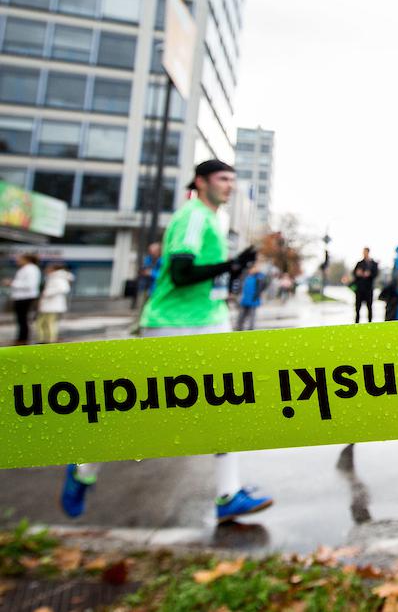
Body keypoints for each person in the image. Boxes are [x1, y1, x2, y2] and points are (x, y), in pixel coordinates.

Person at [61, 160, 273, 524]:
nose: (229, 186)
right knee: (141, 410)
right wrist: (230, 264)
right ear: (201, 181)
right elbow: (181, 273)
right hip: (171, 325)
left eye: (232, 180)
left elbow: (204, 277)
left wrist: (235, 266)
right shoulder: (192, 216)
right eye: (222, 179)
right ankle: (82, 467)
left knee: (230, 402)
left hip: (208, 322)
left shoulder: (212, 220)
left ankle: (228, 494)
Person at [7, 253, 41, 345]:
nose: (17, 261)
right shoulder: (27, 269)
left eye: (19, 259)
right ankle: (21, 338)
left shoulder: (31, 269)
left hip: (25, 297)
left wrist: (12, 283)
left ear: (26, 259)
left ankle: (23, 339)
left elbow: (30, 285)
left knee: (23, 319)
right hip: (22, 297)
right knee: (21, 319)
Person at [36, 263, 73, 343]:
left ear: (53, 269)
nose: (46, 269)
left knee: (49, 323)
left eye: (48, 267)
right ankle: (44, 340)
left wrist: (46, 293)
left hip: (52, 306)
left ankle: (49, 341)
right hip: (49, 305)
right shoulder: (53, 277)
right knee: (42, 323)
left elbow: (64, 288)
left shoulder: (57, 278)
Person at [352, 248, 379, 323]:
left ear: (368, 252)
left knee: (369, 307)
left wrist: (369, 274)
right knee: (357, 307)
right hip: (359, 289)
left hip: (368, 288)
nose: (364, 254)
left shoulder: (373, 264)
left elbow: (376, 273)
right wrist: (358, 273)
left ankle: (370, 323)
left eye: (365, 252)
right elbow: (354, 273)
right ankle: (356, 323)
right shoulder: (359, 263)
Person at [236, 262, 265, 331]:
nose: (253, 270)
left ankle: (251, 330)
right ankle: (239, 328)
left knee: (252, 317)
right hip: (245, 299)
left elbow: (264, 283)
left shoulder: (259, 277)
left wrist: (257, 295)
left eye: (255, 268)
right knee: (241, 316)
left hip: (253, 299)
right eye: (252, 268)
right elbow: (240, 286)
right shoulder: (246, 276)